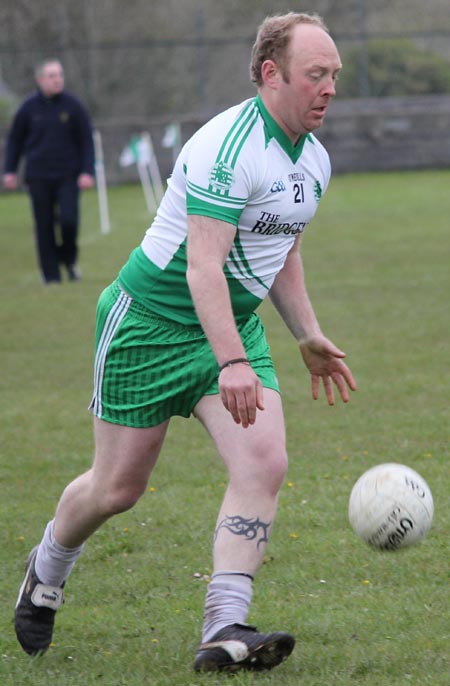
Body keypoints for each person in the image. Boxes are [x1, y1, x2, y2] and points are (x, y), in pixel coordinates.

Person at [14, 13, 356, 673]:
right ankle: (47, 565)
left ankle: (226, 624)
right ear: (270, 74)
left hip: (232, 325)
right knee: (118, 488)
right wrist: (231, 360)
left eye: (334, 75)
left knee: (263, 463)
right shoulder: (228, 147)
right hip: (150, 324)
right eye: (317, 74)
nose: (329, 88)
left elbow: (278, 248)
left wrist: (307, 334)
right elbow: (204, 267)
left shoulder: (313, 159)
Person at [3, 59, 95, 284]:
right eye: (52, 75)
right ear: (40, 79)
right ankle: (50, 274)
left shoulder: (73, 106)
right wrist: (9, 170)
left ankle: (69, 260)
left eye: (60, 75)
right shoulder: (28, 108)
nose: (57, 79)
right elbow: (15, 140)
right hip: (38, 176)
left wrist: (87, 171)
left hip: (68, 176)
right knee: (43, 225)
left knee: (68, 221)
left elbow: (86, 141)